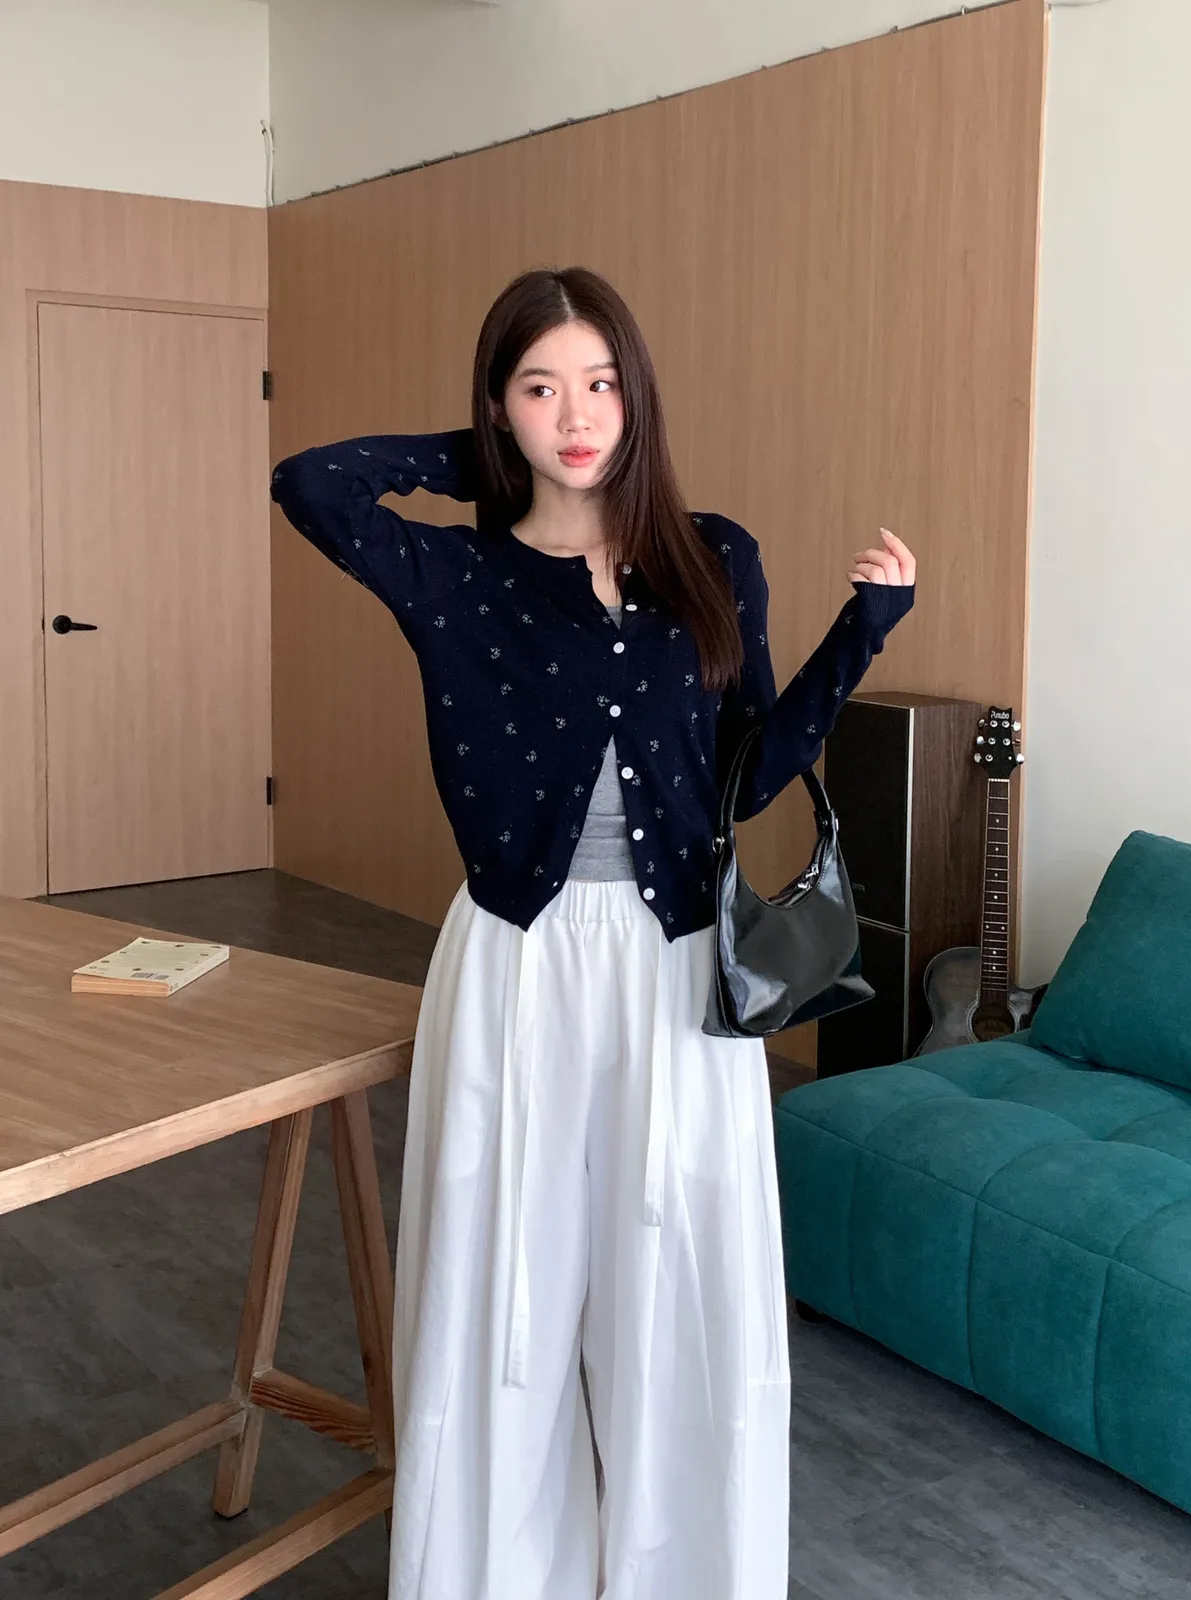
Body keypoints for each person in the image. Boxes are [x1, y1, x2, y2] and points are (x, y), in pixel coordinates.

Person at [271, 265, 915, 1600]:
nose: (577, 415)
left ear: (639, 396)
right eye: (540, 387)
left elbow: (747, 772)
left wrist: (864, 634)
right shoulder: (455, 570)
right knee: (501, 1289)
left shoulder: (715, 556)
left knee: (682, 1284)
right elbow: (311, 483)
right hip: (517, 959)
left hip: (678, 967)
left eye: (601, 383)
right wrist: (482, 455)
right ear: (500, 407)